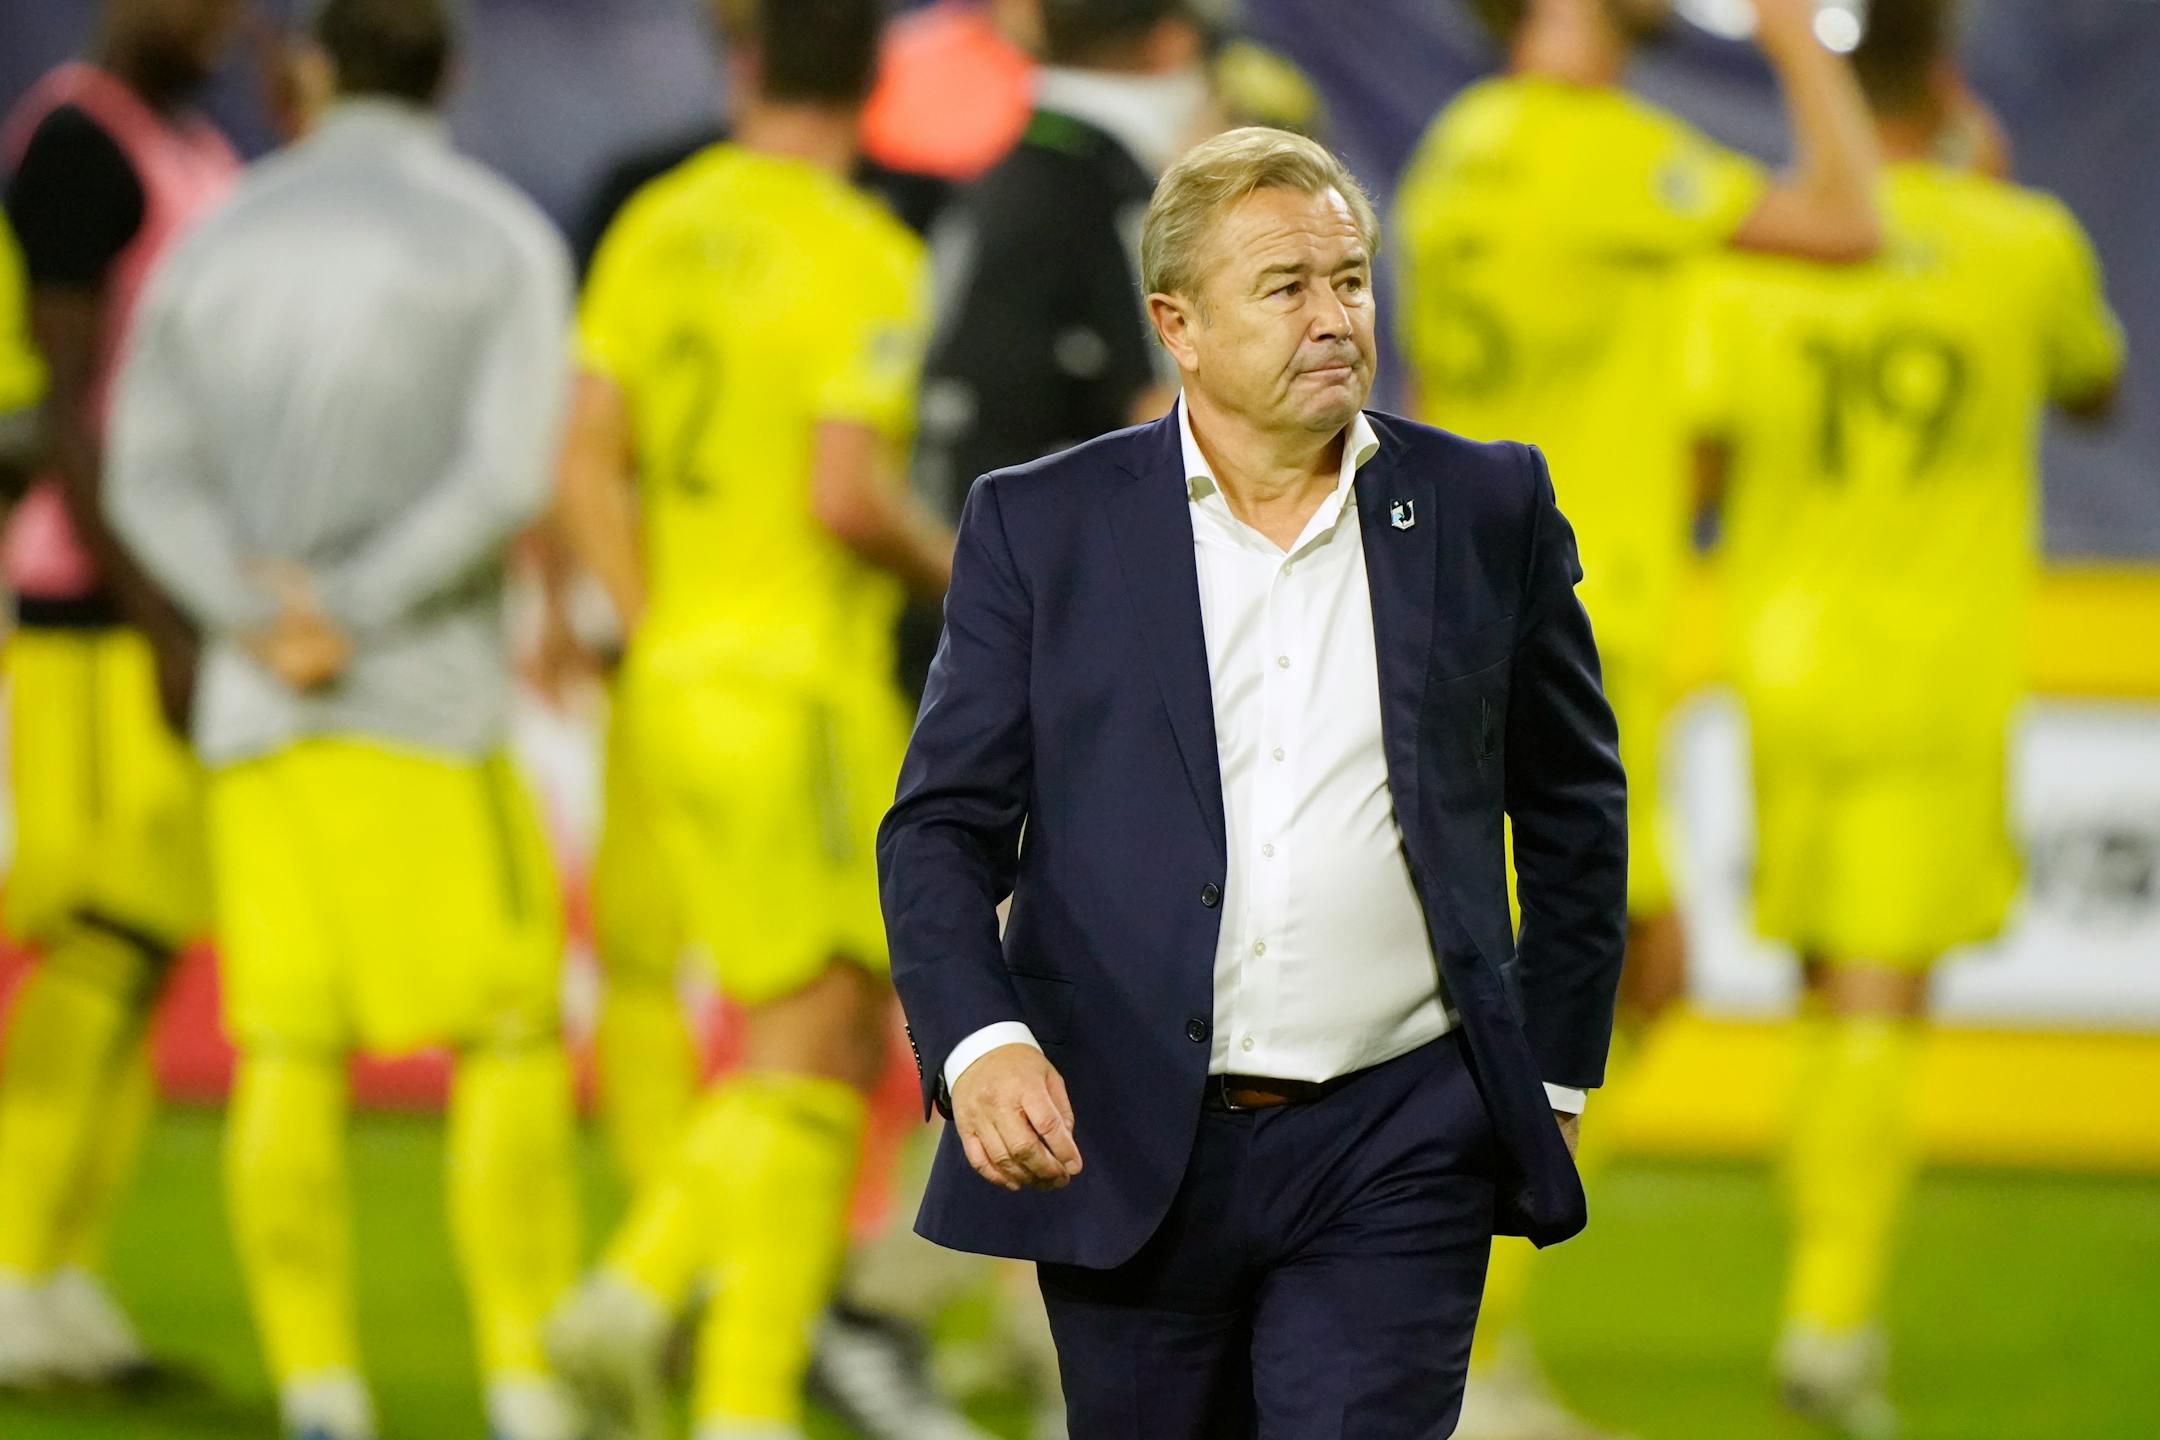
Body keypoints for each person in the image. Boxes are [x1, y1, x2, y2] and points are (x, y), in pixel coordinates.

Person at [880, 124, 1627, 1439]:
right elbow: (942, 829)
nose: (1334, 315)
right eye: (1287, 287)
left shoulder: (1486, 507)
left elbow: (1573, 810)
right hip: (1126, 1137)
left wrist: (1554, 1075)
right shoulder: (1040, 525)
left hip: (1400, 1138)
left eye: (1351, 279)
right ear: (1178, 322)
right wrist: (981, 1041)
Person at [1393, 2, 1881, 1428]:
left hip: (1466, 610)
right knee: (1570, 983)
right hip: (1577, 639)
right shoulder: (1607, 156)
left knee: (1603, 973)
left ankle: (1456, 1328)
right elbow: (1851, 220)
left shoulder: (1452, 152)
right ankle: (1458, 1351)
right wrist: (1797, 41)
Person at [102, 2, 584, 1437]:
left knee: (285, 1049)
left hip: (263, 714)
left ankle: (320, 1391)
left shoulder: (220, 233)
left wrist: (262, 619)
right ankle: (523, 1380)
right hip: (426, 708)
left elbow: (143, 475)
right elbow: (505, 478)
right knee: (505, 1041)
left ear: (310, 73)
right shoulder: (497, 237)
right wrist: (358, 611)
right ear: (452, 71)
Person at [1681, 2, 2123, 1432]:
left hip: (1784, 659)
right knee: (1887, 989)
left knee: (1824, 978)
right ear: (1945, 83)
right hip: (1937, 669)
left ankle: (1811, 1292)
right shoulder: (2023, 241)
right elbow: (2096, 381)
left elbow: (1695, 452)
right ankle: (1828, 1317)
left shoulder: (1762, 265)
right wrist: (1981, 208)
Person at [543, 1, 956, 1436]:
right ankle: (653, 1299)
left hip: (674, 679)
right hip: (803, 693)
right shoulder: (873, 256)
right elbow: (844, 491)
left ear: (747, 64)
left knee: (813, 1039)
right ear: (874, 88)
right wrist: (971, 564)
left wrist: (651, 628)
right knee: (824, 1038)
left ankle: (729, 1389)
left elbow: (585, 457)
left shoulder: (657, 222)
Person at [0, 0, 242, 1389]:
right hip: (92, 600)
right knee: (94, 938)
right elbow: (64, 407)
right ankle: (11, 1269)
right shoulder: (79, 145)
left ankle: (63, 1272)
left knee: (142, 955)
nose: (221, 18)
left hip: (166, 592)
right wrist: (154, 616)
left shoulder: (193, 141)